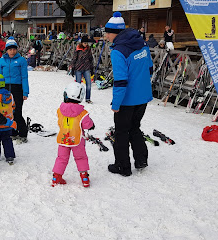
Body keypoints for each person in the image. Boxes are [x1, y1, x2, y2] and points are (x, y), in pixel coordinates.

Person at [104, 12, 153, 176]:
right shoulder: (142, 43)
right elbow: (150, 67)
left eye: (107, 33)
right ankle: (141, 159)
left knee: (121, 132)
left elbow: (120, 81)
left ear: (114, 33)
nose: (106, 36)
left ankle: (122, 166)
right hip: (143, 96)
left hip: (127, 100)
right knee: (135, 128)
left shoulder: (118, 51)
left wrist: (116, 103)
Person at [51, 82, 95, 187]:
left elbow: (59, 123)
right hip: (77, 141)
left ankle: (56, 178)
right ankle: (84, 178)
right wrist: (91, 124)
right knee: (81, 158)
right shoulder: (83, 113)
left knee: (61, 158)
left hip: (63, 140)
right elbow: (88, 125)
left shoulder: (59, 111)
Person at [0, 38, 29, 143]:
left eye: (14, 49)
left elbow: (24, 77)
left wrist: (25, 92)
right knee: (8, 111)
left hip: (17, 88)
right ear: (6, 50)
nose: (12, 51)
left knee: (17, 111)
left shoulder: (21, 60)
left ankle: (23, 133)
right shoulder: (2, 60)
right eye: (10, 49)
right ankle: (13, 132)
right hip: (5, 88)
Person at [70, 36, 94, 103]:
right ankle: (77, 98)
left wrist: (92, 68)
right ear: (82, 43)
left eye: (87, 43)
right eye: (85, 43)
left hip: (86, 68)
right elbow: (74, 58)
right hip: (78, 68)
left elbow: (90, 58)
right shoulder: (78, 49)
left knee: (88, 84)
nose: (86, 44)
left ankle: (88, 99)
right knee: (78, 85)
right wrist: (72, 67)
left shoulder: (88, 49)